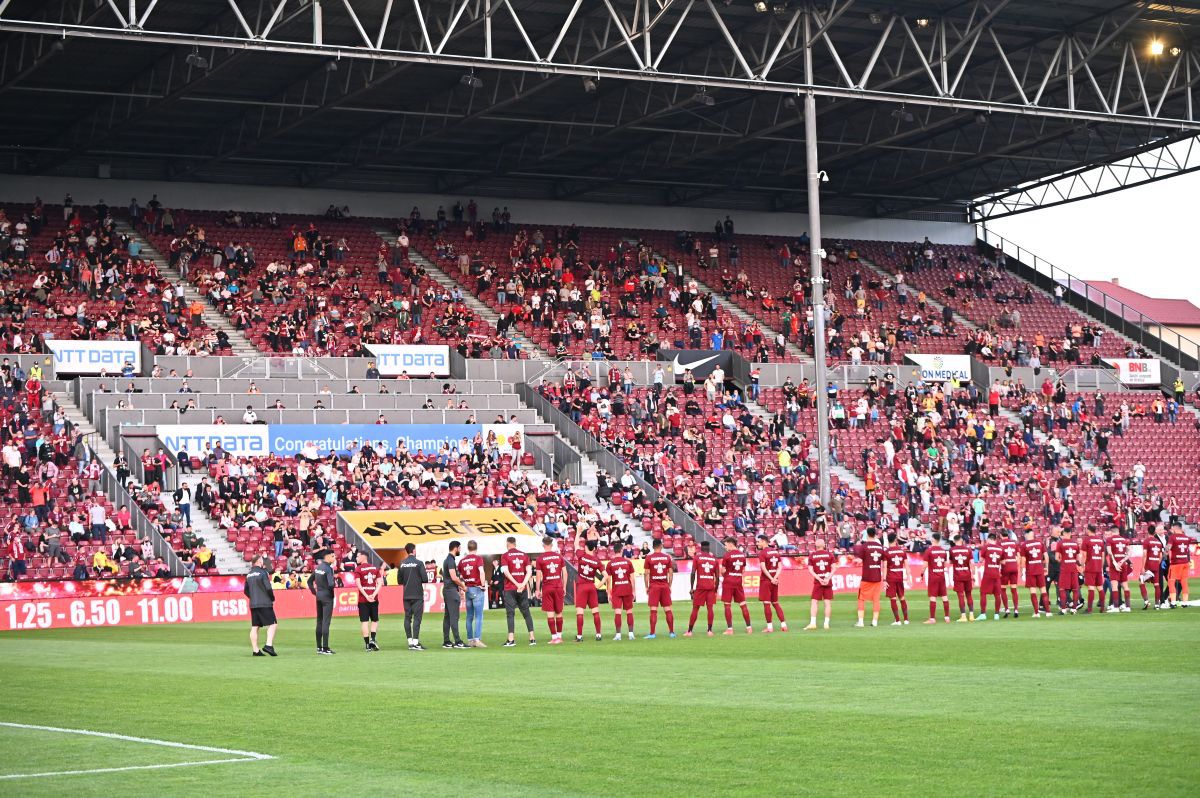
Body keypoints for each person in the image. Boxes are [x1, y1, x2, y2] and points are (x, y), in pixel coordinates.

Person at [499, 537, 536, 647]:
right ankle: (532, 638)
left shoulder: (505, 555)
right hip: (522, 588)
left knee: (510, 614)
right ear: (515, 543)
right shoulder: (524, 555)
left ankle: (511, 640)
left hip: (510, 588)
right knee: (526, 613)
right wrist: (522, 584)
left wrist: (516, 583)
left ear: (507, 544)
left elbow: (506, 572)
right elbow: (529, 572)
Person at [244, 554, 278, 657]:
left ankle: (255, 650)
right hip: (264, 602)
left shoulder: (249, 574)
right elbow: (268, 587)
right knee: (273, 624)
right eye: (262, 560)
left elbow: (245, 591)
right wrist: (271, 598)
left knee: (255, 626)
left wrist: (253, 597)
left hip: (253, 604)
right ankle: (268, 645)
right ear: (259, 562)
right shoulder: (263, 573)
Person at [535, 537, 567, 644]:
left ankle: (554, 638)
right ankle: (559, 637)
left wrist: (537, 590)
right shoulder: (559, 557)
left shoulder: (540, 559)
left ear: (543, 545)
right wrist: (564, 587)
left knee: (550, 613)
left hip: (547, 587)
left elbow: (538, 575)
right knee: (559, 612)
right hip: (558, 587)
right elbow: (565, 572)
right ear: (552, 545)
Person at [397, 543, 429, 650]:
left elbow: (399, 581)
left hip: (406, 595)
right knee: (417, 618)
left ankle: (410, 642)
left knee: (407, 617)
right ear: (414, 551)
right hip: (417, 595)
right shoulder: (419, 563)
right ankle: (415, 643)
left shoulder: (402, 563)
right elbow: (425, 579)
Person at [643, 539, 676, 639]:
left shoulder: (649, 558)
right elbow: (670, 572)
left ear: (653, 547)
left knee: (653, 610)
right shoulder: (667, 557)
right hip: (664, 586)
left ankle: (652, 633)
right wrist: (669, 585)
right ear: (661, 546)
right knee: (667, 609)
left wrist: (646, 586)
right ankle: (671, 633)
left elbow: (646, 573)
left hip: (654, 586)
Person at [685, 540, 720, 637]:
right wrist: (715, 590)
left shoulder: (697, 558)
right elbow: (717, 577)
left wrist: (692, 588)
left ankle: (689, 631)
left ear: (701, 548)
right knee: (710, 609)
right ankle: (709, 630)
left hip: (700, 587)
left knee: (695, 609)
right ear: (709, 548)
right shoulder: (714, 559)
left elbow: (693, 573)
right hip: (710, 587)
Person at [573, 539, 605, 642]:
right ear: (595, 549)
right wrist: (598, 586)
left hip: (582, 586)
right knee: (595, 611)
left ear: (586, 547)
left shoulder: (581, 555)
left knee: (580, 612)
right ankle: (598, 635)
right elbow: (606, 576)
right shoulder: (597, 561)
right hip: (591, 586)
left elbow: (575, 544)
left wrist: (578, 532)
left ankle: (579, 636)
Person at [720, 536, 753, 634]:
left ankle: (730, 629)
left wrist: (725, 575)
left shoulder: (727, 555)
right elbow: (743, 570)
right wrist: (737, 576)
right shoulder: (742, 555)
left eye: (726, 545)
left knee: (727, 605)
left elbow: (723, 570)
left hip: (728, 582)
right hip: (738, 582)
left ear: (731, 544)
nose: (725, 547)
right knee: (743, 604)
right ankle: (749, 627)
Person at [457, 540, 487, 647]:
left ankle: (470, 640)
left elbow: (459, 577)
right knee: (479, 616)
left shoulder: (462, 561)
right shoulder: (478, 559)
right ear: (476, 548)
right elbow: (482, 572)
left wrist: (461, 588)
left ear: (468, 548)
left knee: (469, 616)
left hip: (467, 589)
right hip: (476, 588)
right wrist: (483, 585)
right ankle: (477, 640)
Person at [853, 528, 884, 628]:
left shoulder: (864, 546)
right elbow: (884, 560)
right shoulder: (880, 547)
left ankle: (861, 622)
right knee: (876, 600)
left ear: (867, 535)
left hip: (866, 576)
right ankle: (875, 621)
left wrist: (853, 560)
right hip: (877, 576)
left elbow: (859, 560)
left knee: (861, 598)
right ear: (875, 535)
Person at [755, 534, 787, 632]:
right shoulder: (775, 552)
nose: (757, 543)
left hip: (766, 581)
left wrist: (770, 578)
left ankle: (769, 627)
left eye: (758, 541)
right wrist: (775, 578)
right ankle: (783, 625)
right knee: (776, 603)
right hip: (774, 581)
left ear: (764, 541)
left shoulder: (762, 553)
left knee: (767, 603)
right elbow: (780, 566)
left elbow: (763, 567)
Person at [354, 551, 384, 652]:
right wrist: (373, 594)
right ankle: (373, 640)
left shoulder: (358, 569)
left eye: (358, 556)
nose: (356, 558)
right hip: (374, 599)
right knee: (374, 620)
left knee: (364, 622)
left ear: (363, 557)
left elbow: (358, 584)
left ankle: (367, 645)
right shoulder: (375, 568)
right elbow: (380, 583)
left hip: (363, 600)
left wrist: (366, 595)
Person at [605, 547, 636, 640]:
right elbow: (632, 578)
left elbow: (608, 579)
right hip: (627, 588)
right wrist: (634, 591)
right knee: (629, 611)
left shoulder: (610, 563)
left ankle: (618, 635)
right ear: (622, 551)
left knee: (617, 612)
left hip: (616, 590)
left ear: (614, 552)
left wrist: (608, 592)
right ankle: (631, 634)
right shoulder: (628, 562)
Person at [309, 549, 337, 654]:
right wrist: (331, 594)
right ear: (327, 557)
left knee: (319, 621)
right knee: (326, 622)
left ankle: (319, 648)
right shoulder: (329, 569)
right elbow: (331, 584)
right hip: (326, 597)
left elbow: (309, 581)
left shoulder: (318, 567)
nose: (334, 558)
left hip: (319, 596)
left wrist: (314, 592)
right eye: (333, 556)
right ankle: (325, 648)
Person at [441, 541, 467, 649]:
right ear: (455, 548)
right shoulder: (450, 560)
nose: (460, 550)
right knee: (454, 617)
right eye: (459, 548)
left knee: (447, 616)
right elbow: (454, 577)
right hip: (451, 591)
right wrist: (463, 586)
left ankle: (447, 641)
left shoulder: (447, 560)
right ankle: (458, 641)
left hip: (448, 590)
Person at [1020, 530, 1050, 618]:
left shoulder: (1024, 545)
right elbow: (1046, 556)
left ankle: (1037, 613)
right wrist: (1047, 568)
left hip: (1031, 571)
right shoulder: (1040, 543)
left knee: (1033, 591)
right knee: (1043, 590)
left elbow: (1023, 559)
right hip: (1040, 570)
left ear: (1027, 535)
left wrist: (1022, 570)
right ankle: (1048, 612)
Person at [881, 532, 909, 626]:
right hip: (900, 577)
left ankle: (897, 621)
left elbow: (884, 567)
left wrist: (884, 580)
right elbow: (907, 565)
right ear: (896, 540)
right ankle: (906, 620)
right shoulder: (902, 551)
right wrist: (908, 577)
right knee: (902, 597)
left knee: (893, 598)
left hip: (891, 578)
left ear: (888, 541)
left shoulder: (887, 552)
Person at [922, 534, 951, 624]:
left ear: (933, 539)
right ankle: (947, 617)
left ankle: (932, 619)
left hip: (933, 577)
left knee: (933, 597)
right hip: (941, 576)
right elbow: (946, 564)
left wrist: (921, 573)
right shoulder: (943, 551)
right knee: (944, 596)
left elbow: (925, 565)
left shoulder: (929, 551)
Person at [976, 535, 1004, 621]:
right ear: (995, 540)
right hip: (996, 573)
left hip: (988, 573)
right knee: (997, 594)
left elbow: (980, 560)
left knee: (983, 593)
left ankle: (983, 614)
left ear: (988, 539)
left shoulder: (986, 547)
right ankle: (996, 615)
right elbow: (1003, 562)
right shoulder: (1000, 549)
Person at [1055, 528, 1082, 614]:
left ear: (1064, 534)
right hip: (1073, 568)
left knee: (1062, 588)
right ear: (1070, 533)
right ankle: (1074, 609)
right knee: (1075, 588)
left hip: (1064, 568)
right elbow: (1078, 559)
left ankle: (1063, 609)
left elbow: (1056, 557)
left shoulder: (1060, 543)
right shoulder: (1075, 544)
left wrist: (1062, 561)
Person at [949, 535, 976, 622]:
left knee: (960, 595)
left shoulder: (952, 550)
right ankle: (971, 615)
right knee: (969, 594)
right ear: (961, 540)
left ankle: (963, 616)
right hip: (967, 574)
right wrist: (973, 574)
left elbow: (950, 561)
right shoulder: (968, 549)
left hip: (958, 575)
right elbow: (972, 562)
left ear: (954, 541)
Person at [1080, 524, 1106, 614]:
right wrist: (1101, 566)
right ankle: (1102, 608)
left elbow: (1084, 555)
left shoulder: (1086, 540)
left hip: (1090, 567)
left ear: (1088, 530)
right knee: (1100, 588)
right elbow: (1103, 555)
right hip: (1098, 567)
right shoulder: (1100, 540)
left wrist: (1082, 565)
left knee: (1091, 588)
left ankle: (1089, 609)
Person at [1166, 521, 1193, 607]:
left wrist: (1165, 549)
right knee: (1184, 582)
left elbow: (1168, 548)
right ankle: (1185, 603)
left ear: (1175, 528)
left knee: (1171, 581)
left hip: (1176, 563)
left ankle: (1173, 602)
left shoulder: (1172, 537)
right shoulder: (1187, 538)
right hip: (1185, 562)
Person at [1139, 524, 1165, 610]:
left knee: (1141, 581)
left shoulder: (1146, 541)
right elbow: (1161, 556)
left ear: (1147, 532)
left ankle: (1146, 601)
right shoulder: (1158, 542)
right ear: (1154, 532)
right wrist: (1157, 563)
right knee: (1157, 584)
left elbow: (1145, 555)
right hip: (1156, 566)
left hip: (1148, 566)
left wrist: (1143, 567)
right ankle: (1157, 604)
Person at [1105, 530, 1132, 613]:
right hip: (1123, 565)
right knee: (1125, 585)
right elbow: (1129, 553)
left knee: (1114, 586)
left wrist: (1115, 563)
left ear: (1112, 532)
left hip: (1114, 566)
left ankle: (1116, 607)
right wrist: (1122, 561)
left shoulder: (1110, 539)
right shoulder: (1124, 540)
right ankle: (1128, 607)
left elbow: (1109, 552)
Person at [998, 532, 1021, 618]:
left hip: (1005, 568)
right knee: (1014, 589)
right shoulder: (1014, 543)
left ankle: (1007, 609)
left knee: (1003, 589)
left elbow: (998, 556)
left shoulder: (1000, 543)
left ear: (1001, 536)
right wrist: (1017, 565)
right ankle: (1016, 609)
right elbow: (1018, 556)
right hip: (1014, 567)